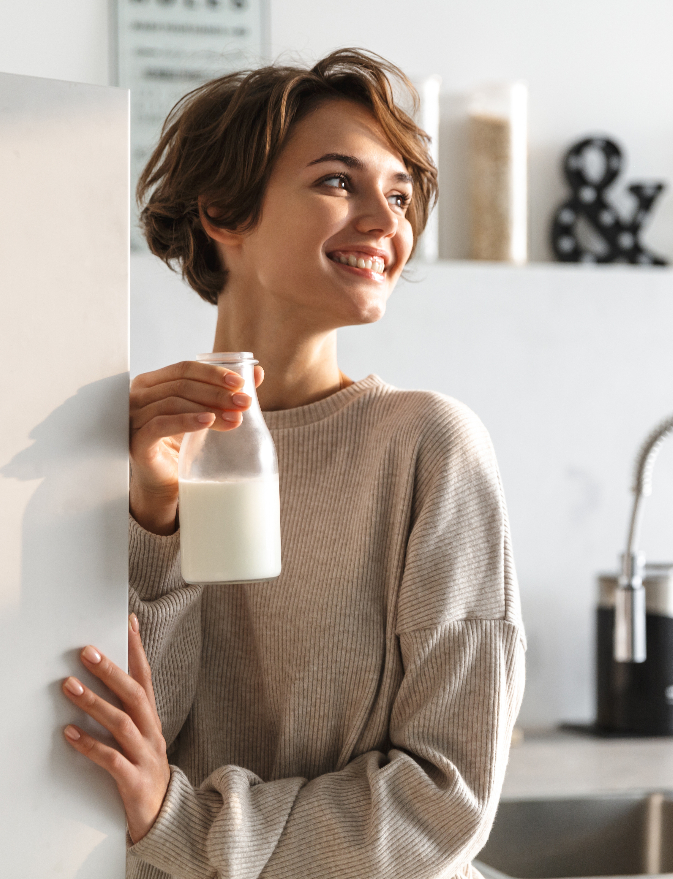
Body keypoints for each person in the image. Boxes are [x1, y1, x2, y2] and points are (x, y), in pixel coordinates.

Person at [60, 49, 525, 879]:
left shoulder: (429, 445)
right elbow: (119, 751)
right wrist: (153, 517)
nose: (388, 224)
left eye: (399, 194)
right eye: (340, 183)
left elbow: (444, 799)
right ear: (223, 214)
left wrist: (182, 822)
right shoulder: (135, 446)